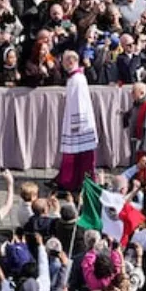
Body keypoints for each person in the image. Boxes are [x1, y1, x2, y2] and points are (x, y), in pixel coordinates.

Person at [55, 50, 99, 191]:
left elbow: (81, 103)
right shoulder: (73, 78)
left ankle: (76, 181)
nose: (63, 64)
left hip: (79, 123)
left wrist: (77, 123)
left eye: (65, 61)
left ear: (71, 61)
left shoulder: (78, 79)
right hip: (74, 121)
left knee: (80, 154)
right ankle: (70, 179)